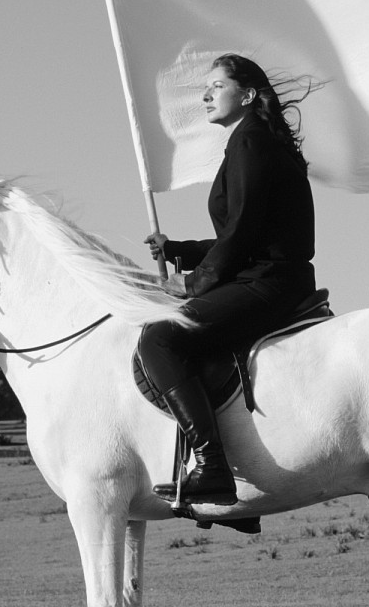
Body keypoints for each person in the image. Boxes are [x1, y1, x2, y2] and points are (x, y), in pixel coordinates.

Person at [139, 53, 317, 505]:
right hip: (269, 274)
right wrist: (179, 251)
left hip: (268, 282)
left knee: (160, 339)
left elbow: (240, 235)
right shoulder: (253, 140)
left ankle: (212, 465)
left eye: (217, 86)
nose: (206, 95)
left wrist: (191, 284)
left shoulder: (250, 143)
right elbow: (244, 233)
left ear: (249, 94)